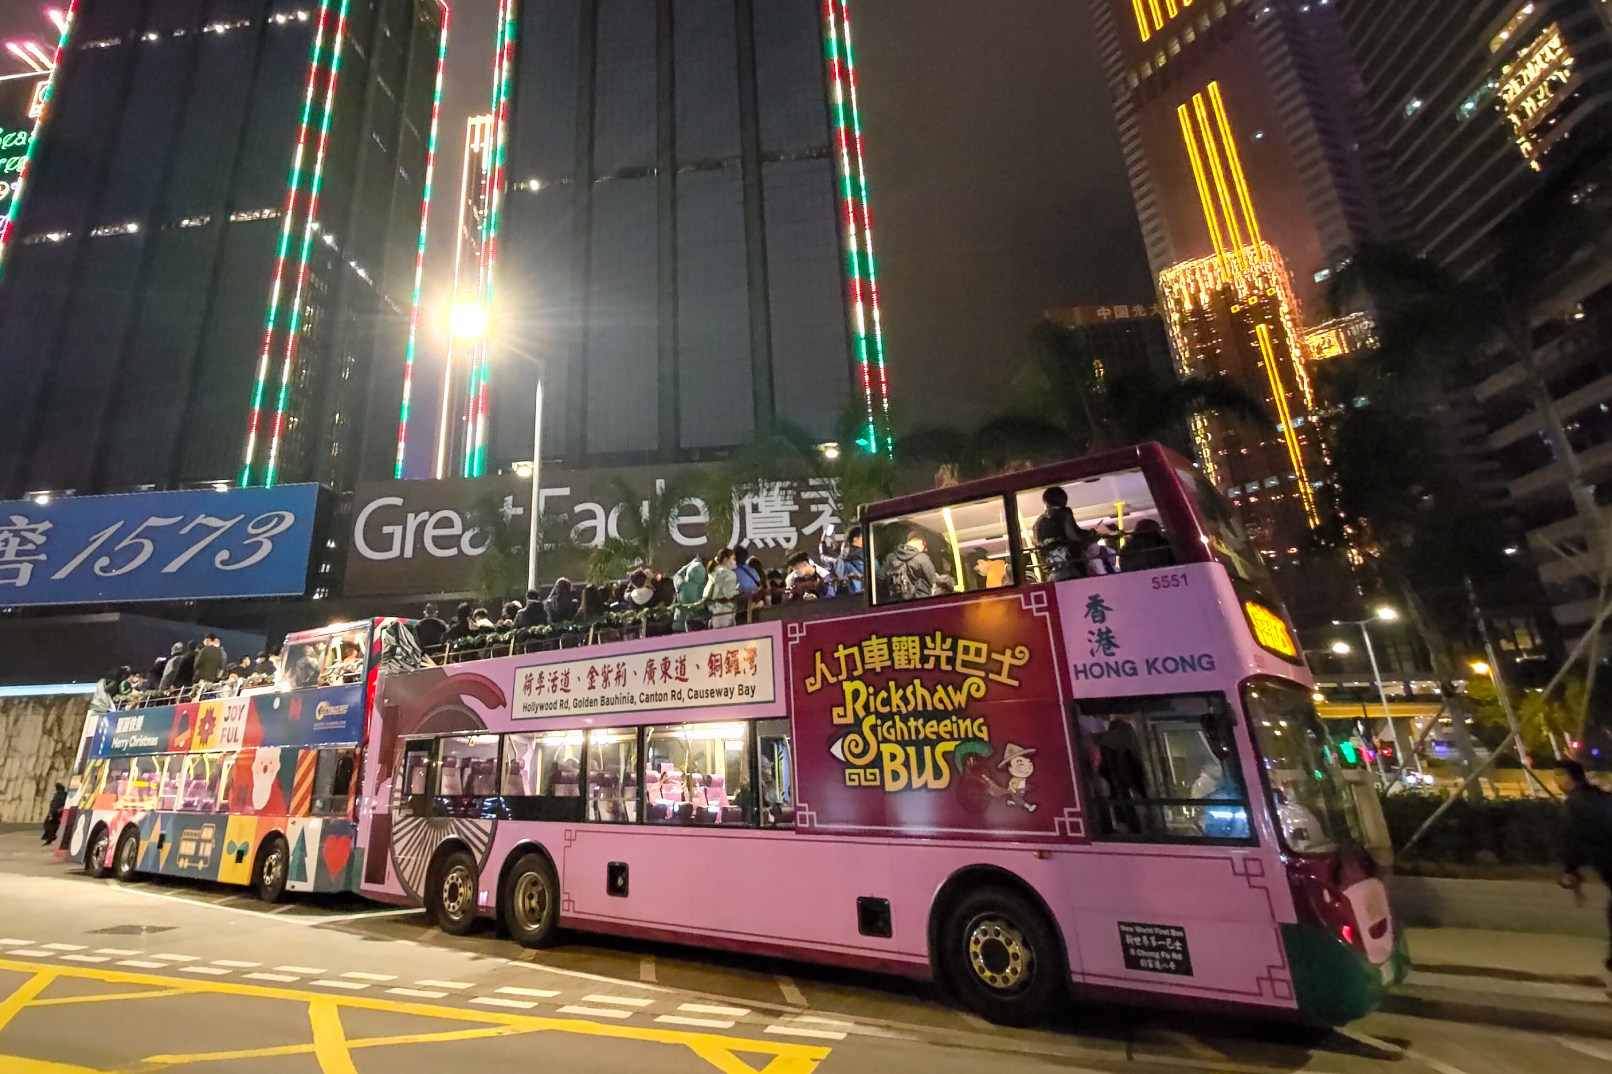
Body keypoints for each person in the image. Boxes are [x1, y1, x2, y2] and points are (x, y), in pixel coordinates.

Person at [1559, 759, 1612, 971]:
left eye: (1558, 775)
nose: (1555, 780)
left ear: (1569, 777)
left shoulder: (1575, 804)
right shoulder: (1600, 796)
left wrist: (1570, 870)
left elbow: (1572, 839)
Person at [1034, 486, 1095, 581]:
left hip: (1053, 567)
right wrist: (1089, 536)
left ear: (1046, 502)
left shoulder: (1039, 522)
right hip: (1071, 564)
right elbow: (1073, 535)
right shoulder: (1065, 515)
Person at [882, 533, 938, 601]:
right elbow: (932, 580)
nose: (923, 549)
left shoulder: (890, 557)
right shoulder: (922, 558)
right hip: (920, 601)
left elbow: (881, 577)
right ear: (921, 542)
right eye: (924, 546)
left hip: (896, 601)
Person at [704, 548, 741, 628]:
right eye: (733, 559)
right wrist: (738, 591)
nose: (735, 561)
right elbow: (729, 594)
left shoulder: (713, 572)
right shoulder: (729, 575)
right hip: (726, 611)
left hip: (715, 610)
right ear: (725, 560)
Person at [835, 525, 866, 593]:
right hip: (864, 593)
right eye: (862, 536)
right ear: (856, 539)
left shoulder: (840, 559)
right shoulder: (865, 553)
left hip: (849, 596)